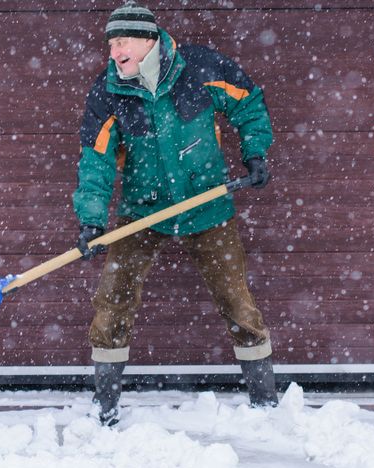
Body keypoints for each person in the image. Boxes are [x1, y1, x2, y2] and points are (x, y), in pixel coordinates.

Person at [72, 1, 278, 426]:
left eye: (122, 41)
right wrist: (91, 219)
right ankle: (105, 406)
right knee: (113, 300)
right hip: (141, 212)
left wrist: (255, 152)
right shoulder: (108, 91)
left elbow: (249, 103)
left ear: (149, 39)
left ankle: (267, 402)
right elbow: (96, 160)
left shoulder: (199, 68)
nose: (115, 51)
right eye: (110, 44)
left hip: (207, 205)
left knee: (238, 303)